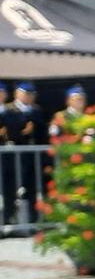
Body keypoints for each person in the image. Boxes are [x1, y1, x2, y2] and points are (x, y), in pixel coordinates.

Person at [1, 82, 46, 227]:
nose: (29, 97)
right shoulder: (7, 111)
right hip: (13, 157)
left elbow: (42, 134)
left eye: (31, 94)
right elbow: (6, 133)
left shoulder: (37, 110)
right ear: (17, 94)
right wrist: (23, 132)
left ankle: (33, 222)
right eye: (25, 93)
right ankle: (8, 220)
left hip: (32, 157)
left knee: (32, 189)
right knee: (11, 190)